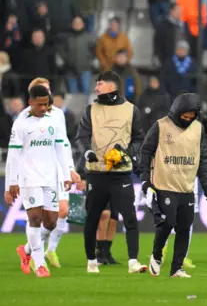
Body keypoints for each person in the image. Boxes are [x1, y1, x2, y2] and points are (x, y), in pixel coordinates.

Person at [76, 71, 147, 274]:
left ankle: (133, 261)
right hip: (96, 173)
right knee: (92, 218)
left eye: (99, 84)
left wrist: (125, 152)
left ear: (111, 86)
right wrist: (87, 152)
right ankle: (91, 261)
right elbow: (81, 136)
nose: (96, 88)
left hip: (121, 174)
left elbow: (139, 139)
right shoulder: (91, 109)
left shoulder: (131, 110)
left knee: (130, 217)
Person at [139, 93, 207, 278]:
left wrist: (206, 183)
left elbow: (203, 157)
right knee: (167, 223)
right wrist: (145, 179)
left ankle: (176, 268)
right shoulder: (161, 126)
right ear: (176, 112)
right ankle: (156, 255)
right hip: (164, 184)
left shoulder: (198, 129)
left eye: (191, 117)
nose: (188, 120)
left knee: (184, 227)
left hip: (187, 186)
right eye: (184, 117)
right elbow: (146, 151)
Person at [14, 77, 81, 268]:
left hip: (58, 169)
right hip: (37, 172)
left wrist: (70, 169)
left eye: (48, 90)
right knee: (41, 216)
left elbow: (63, 143)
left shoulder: (58, 114)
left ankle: (34, 250)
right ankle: (39, 254)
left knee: (62, 211)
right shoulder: (25, 119)